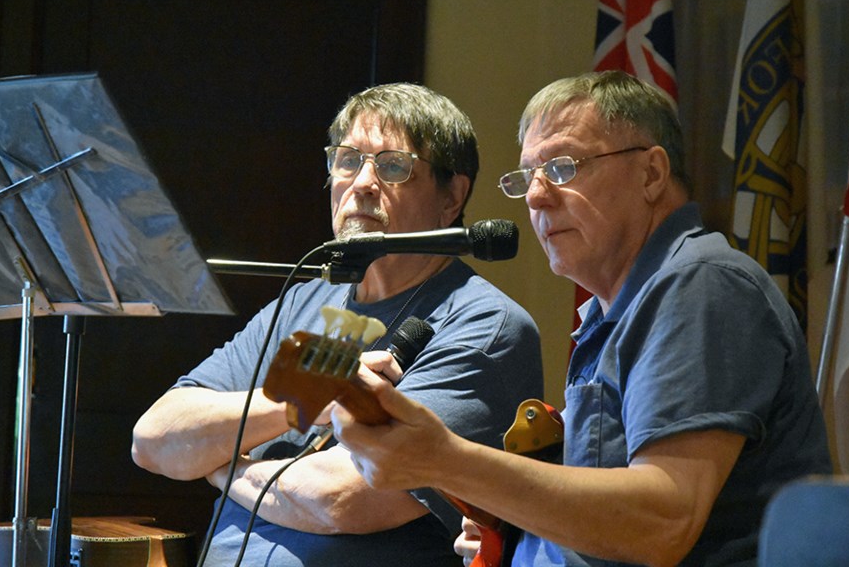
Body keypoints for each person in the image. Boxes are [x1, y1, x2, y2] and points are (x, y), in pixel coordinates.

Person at [331, 71, 832, 567]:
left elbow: (663, 522)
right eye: (527, 175)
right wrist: (514, 524)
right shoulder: (609, 309)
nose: (535, 196)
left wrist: (445, 459)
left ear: (652, 174)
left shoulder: (702, 284)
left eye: (564, 167)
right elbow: (608, 517)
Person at [131, 82, 543, 566]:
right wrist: (306, 396)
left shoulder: (486, 325)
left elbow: (343, 500)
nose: (362, 182)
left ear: (452, 196)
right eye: (347, 160)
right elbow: (154, 439)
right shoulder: (302, 302)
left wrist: (224, 468)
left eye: (392, 166)